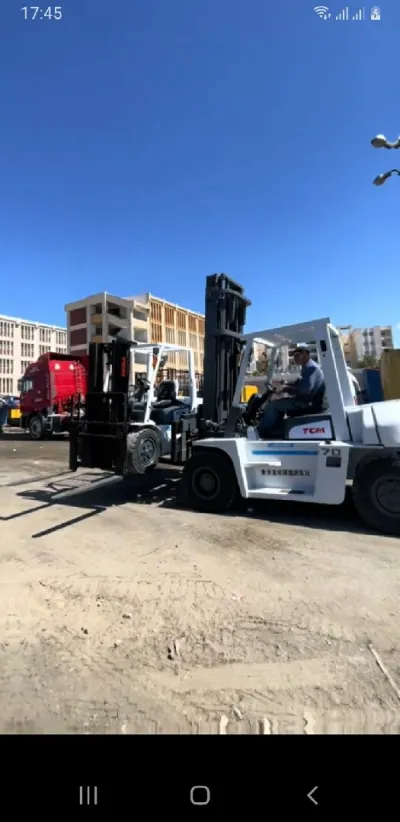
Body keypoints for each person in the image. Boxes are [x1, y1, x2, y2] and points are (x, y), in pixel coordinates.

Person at [257, 347, 325, 438]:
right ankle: (275, 429)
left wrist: (286, 389)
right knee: (280, 403)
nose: (294, 358)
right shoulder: (307, 367)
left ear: (305, 353)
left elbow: (305, 390)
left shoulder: (311, 368)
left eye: (296, 355)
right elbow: (301, 384)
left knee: (273, 405)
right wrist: (286, 383)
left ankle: (261, 432)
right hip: (307, 400)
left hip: (306, 403)